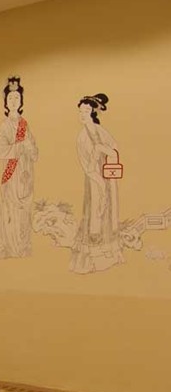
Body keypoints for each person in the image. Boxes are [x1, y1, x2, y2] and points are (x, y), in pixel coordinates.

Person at [70, 93, 123, 273]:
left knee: (108, 211)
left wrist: (101, 148)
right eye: (80, 111)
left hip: (107, 176)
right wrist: (99, 183)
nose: (82, 115)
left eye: (85, 111)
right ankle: (93, 256)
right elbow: (87, 167)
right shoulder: (82, 137)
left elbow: (114, 149)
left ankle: (111, 251)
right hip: (94, 180)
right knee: (95, 212)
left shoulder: (100, 131)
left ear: (93, 112)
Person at [0, 77, 39, 258]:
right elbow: (2, 151)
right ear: (5, 102)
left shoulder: (25, 124)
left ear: (21, 101)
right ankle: (11, 247)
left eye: (17, 97)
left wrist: (30, 148)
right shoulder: (4, 126)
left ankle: (22, 247)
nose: (13, 101)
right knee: (11, 210)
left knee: (24, 212)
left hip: (26, 173)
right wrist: (21, 146)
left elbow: (35, 152)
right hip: (11, 174)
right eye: (10, 98)